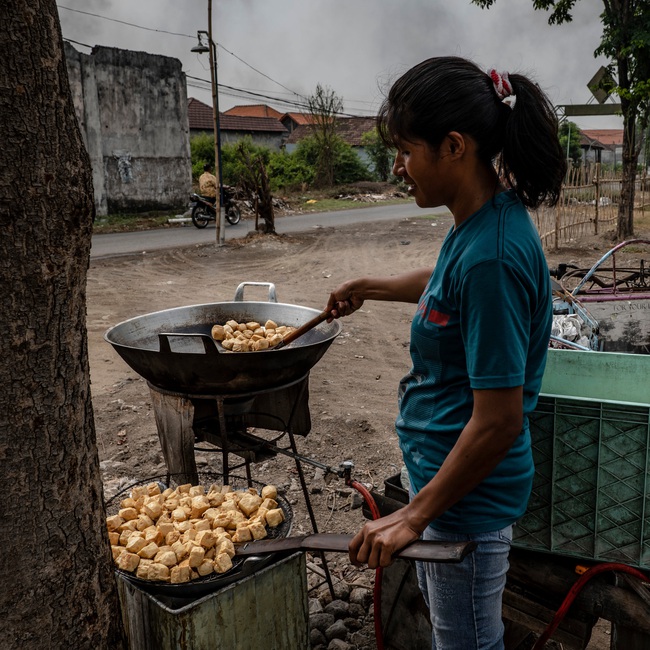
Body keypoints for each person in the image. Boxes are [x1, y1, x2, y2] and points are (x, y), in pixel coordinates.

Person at [325, 56, 566, 649]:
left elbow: (500, 420)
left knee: (467, 643)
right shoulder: (479, 223)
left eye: (407, 150)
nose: (398, 167)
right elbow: (443, 282)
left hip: (465, 505)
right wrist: (371, 287)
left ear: (453, 146)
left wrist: (413, 515)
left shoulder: (494, 256)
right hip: (445, 490)